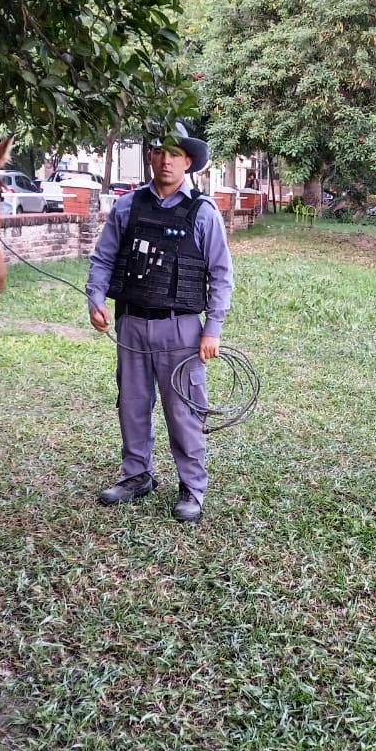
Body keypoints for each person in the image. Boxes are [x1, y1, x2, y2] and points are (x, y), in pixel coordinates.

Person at [85, 122, 234, 523]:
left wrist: (213, 328)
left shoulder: (203, 212)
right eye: (159, 152)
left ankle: (192, 487)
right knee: (132, 404)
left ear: (188, 162)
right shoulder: (127, 206)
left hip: (181, 328)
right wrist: (95, 299)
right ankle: (137, 476)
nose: (166, 160)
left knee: (183, 408)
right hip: (131, 324)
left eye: (175, 154)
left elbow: (221, 274)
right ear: (151, 156)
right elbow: (104, 258)